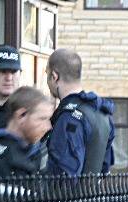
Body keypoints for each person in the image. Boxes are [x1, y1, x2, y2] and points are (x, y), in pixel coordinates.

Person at [44, 48, 115, 176]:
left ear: (54, 76)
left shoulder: (69, 117)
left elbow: (63, 175)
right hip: (95, 194)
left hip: (69, 196)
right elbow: (105, 166)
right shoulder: (102, 112)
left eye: (47, 74)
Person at [0, 87, 53, 178]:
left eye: (48, 119)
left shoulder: (36, 151)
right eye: (42, 119)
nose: (48, 127)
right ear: (21, 115)